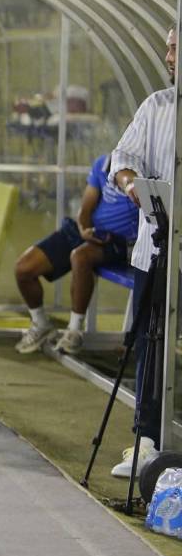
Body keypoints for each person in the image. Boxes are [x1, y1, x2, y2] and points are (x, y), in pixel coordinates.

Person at [107, 26, 178, 478]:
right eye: (168, 46)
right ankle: (146, 439)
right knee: (150, 340)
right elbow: (122, 157)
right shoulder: (157, 106)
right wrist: (132, 183)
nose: (168, 54)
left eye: (175, 45)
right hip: (157, 249)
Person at [12, 154, 138, 355]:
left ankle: (74, 331)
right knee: (23, 268)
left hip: (118, 242)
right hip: (87, 232)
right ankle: (41, 324)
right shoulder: (103, 163)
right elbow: (86, 206)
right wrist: (84, 228)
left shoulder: (147, 173)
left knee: (80, 256)